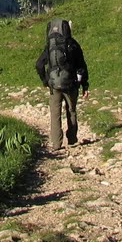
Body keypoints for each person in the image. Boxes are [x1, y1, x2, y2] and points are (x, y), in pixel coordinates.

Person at [35, 18, 89, 151]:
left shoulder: (50, 46)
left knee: (55, 114)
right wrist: (85, 86)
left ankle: (56, 144)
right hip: (70, 83)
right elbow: (81, 66)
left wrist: (45, 81)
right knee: (71, 111)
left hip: (54, 85)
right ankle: (72, 139)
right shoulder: (73, 44)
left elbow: (39, 65)